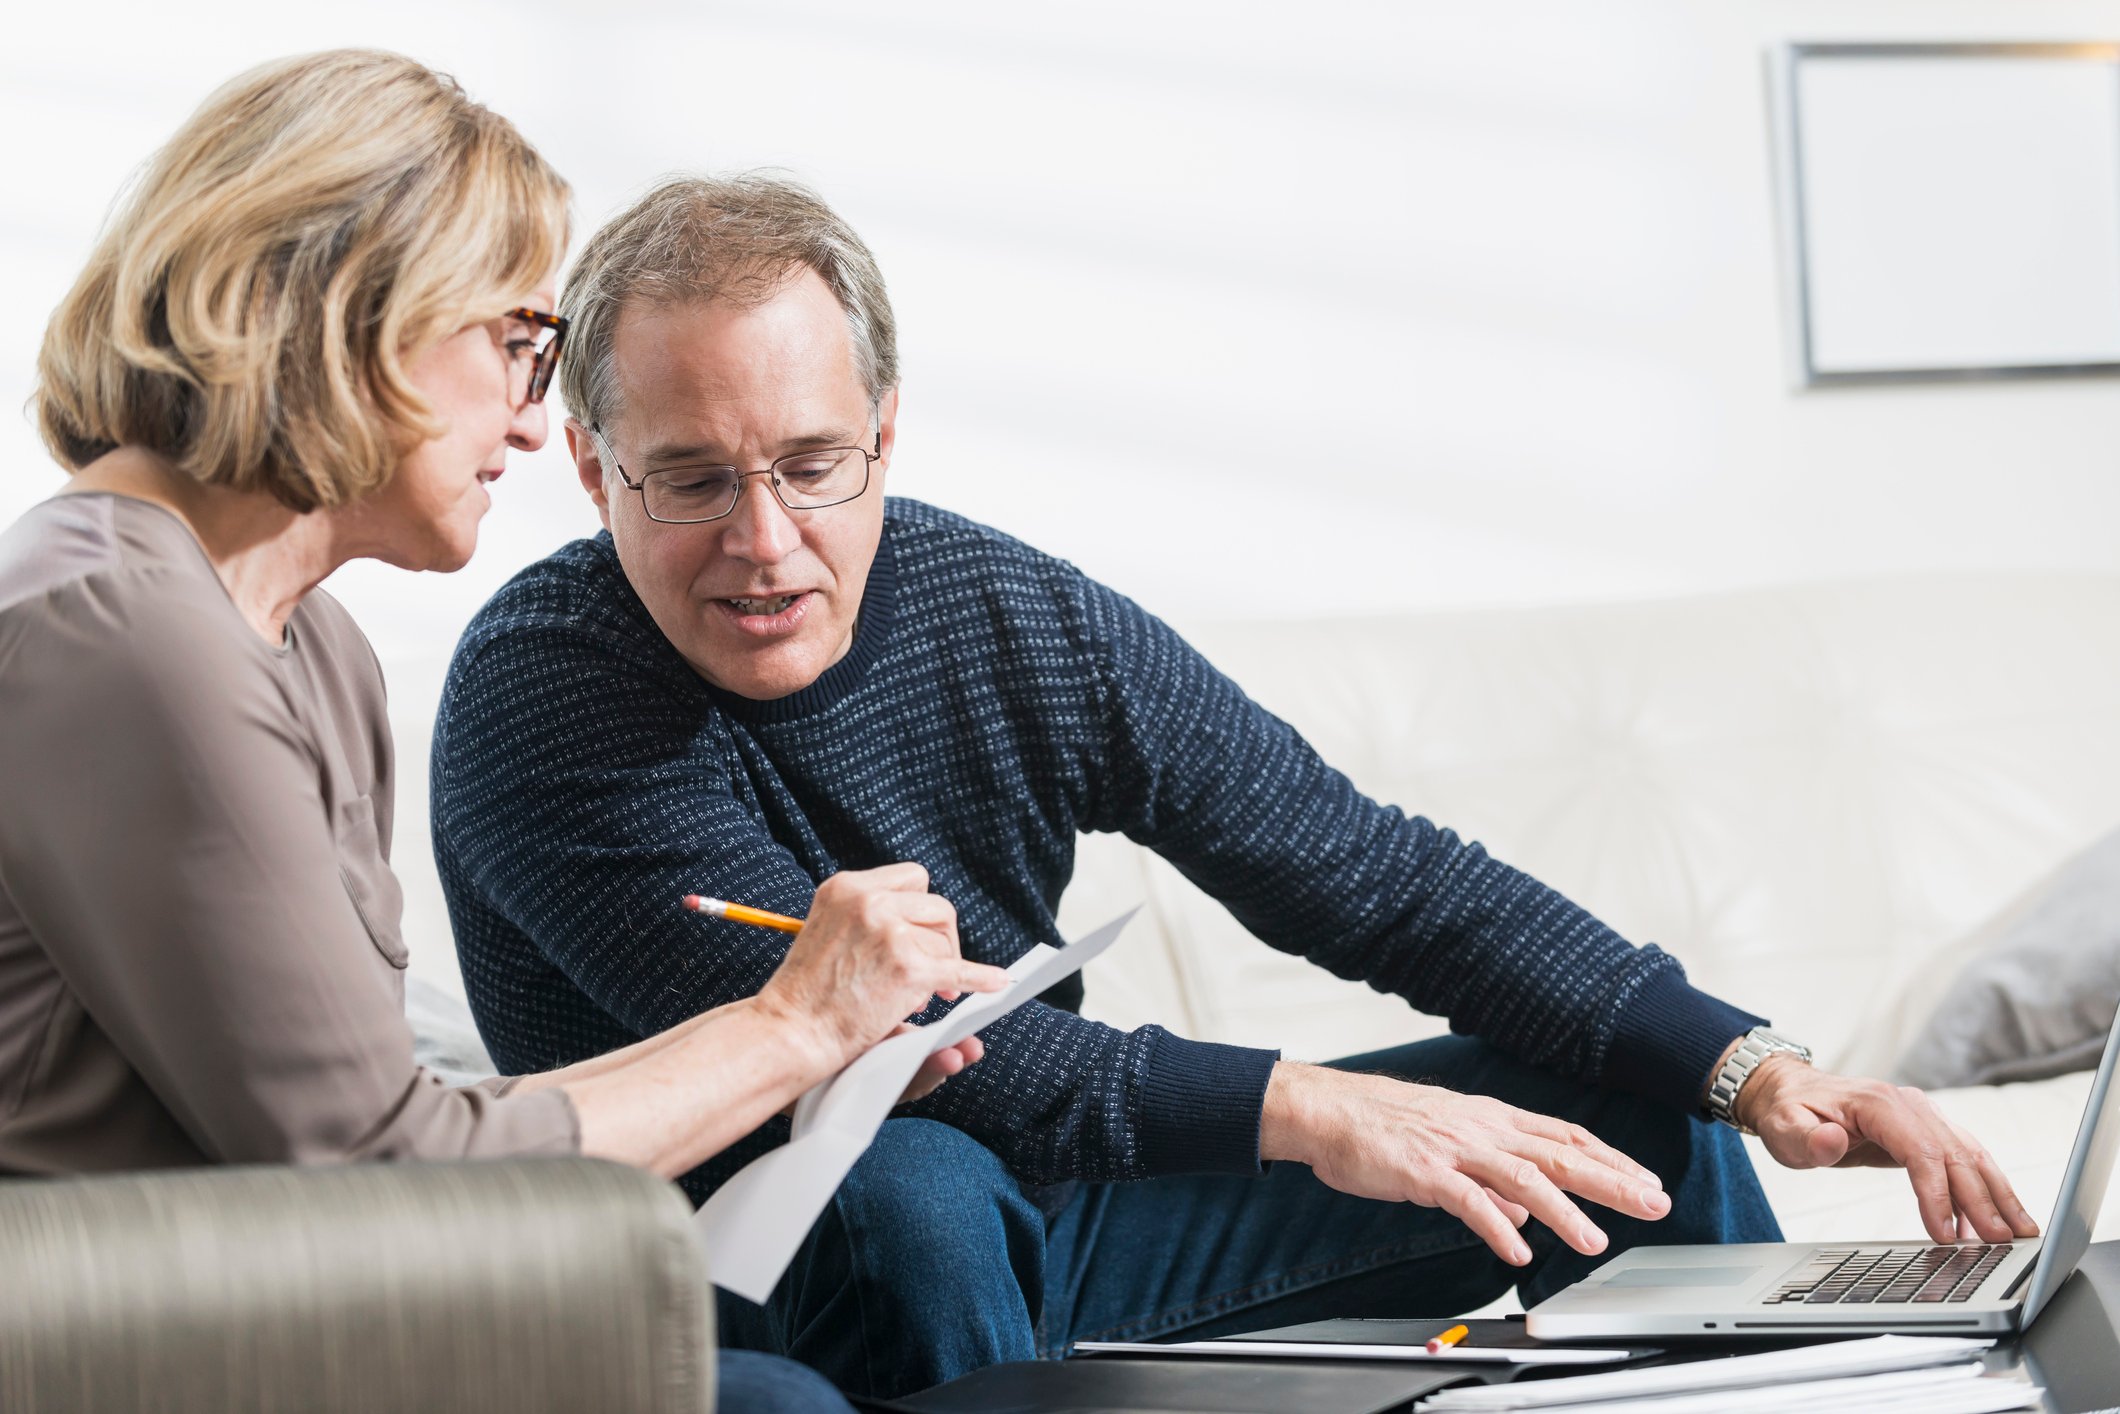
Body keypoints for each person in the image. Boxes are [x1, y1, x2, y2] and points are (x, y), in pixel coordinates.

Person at [430, 173, 2042, 1401]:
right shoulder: (541, 696)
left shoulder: (1006, 613)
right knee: (900, 1183)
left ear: (885, 436)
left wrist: (1755, 1070)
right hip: (743, 1266)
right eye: (694, 479)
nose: (764, 539)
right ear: (592, 469)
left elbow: (1365, 870)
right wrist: (1305, 1104)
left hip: (1059, 1205)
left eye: (808, 464)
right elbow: (911, 1064)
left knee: (1612, 1132)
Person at [0, 53, 1011, 1414]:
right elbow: (380, 1179)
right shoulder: (122, 631)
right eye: (516, 343)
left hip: (285, 1301)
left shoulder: (304, 643)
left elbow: (381, 1122)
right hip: (154, 1343)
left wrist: (818, 1027)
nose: (538, 425)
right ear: (358, 313)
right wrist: (794, 1021)